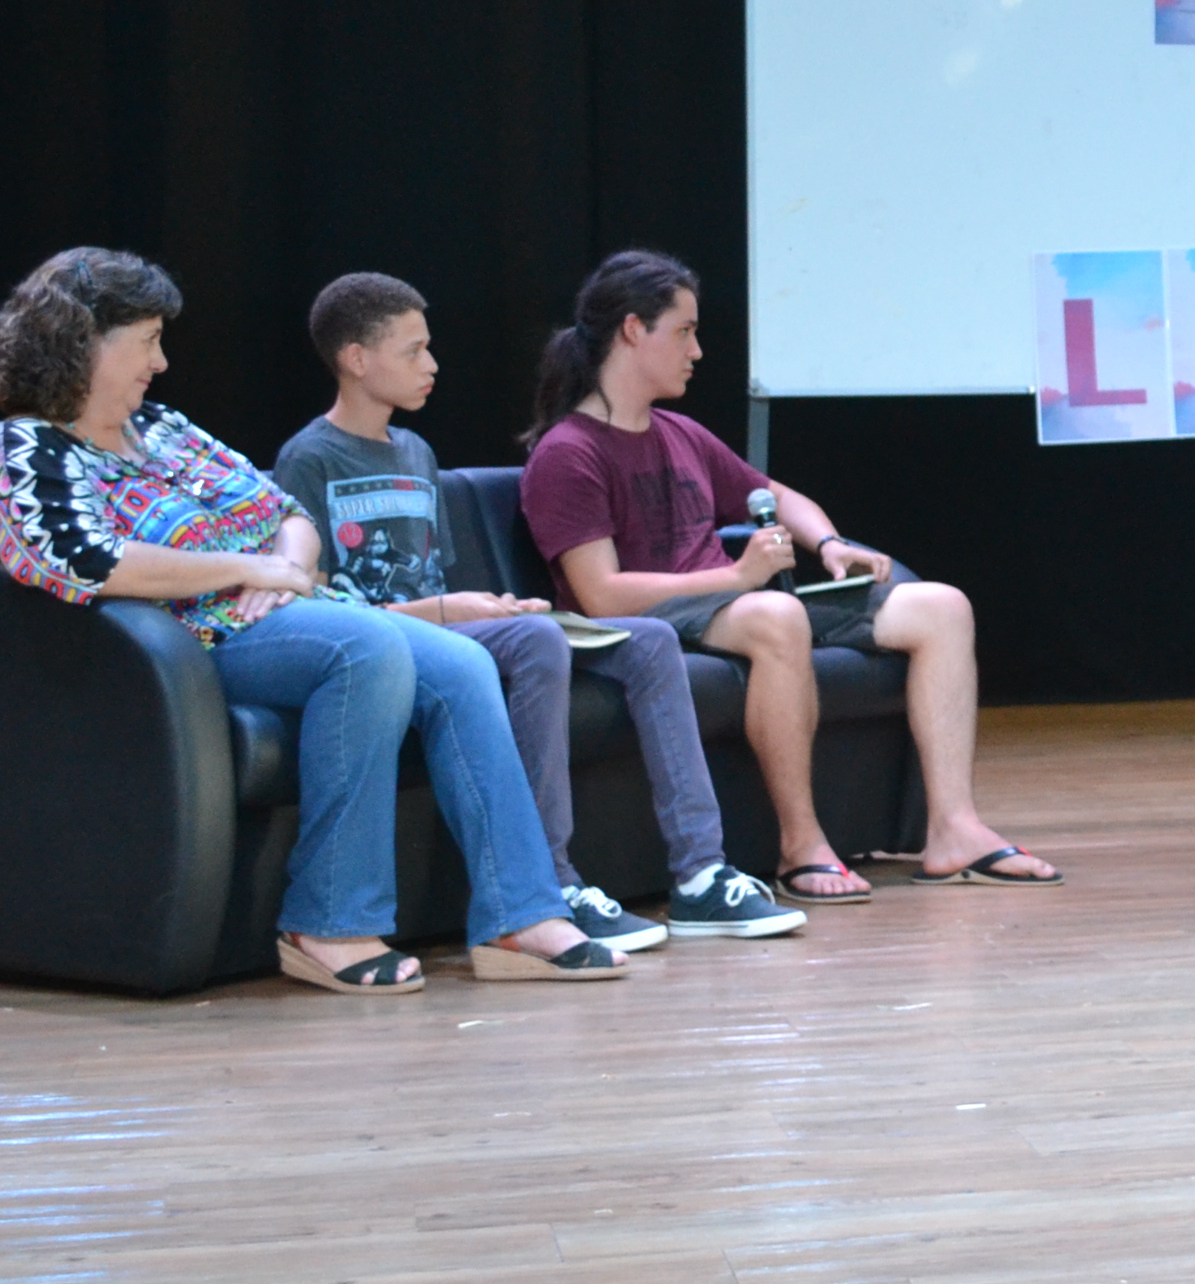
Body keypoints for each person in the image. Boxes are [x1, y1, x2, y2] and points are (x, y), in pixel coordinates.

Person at [0, 248, 624, 991]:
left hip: (291, 613)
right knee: (366, 647)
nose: (161, 362)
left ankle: (518, 915)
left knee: (463, 663)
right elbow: (84, 559)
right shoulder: (25, 449)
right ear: (84, 341)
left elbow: (288, 512)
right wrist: (245, 569)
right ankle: (329, 921)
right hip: (186, 645)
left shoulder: (163, 428)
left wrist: (284, 566)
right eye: (147, 341)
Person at [271, 273, 803, 950]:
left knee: (648, 641)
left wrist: (486, 606)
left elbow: (434, 573)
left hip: (446, 629)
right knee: (536, 642)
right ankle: (553, 884)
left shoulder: (416, 452)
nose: (432, 365)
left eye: (429, 348)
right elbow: (317, 603)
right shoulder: (309, 458)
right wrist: (447, 611)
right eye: (413, 351)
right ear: (355, 358)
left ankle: (700, 873)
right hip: (384, 643)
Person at [517, 250, 1059, 900]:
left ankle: (954, 830)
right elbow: (601, 594)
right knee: (774, 614)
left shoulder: (679, 433)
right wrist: (737, 578)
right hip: (645, 622)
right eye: (684, 331)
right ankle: (801, 844)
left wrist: (829, 544)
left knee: (942, 607)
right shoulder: (569, 453)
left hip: (726, 599)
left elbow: (779, 494)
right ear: (634, 330)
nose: (697, 351)